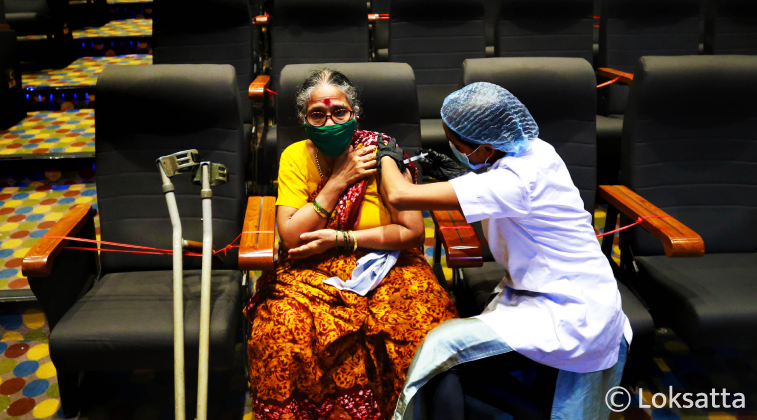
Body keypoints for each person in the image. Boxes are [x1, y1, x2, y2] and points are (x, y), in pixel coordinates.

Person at [377, 82, 632, 420]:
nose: (455, 151)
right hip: (556, 289)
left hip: (569, 310)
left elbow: (399, 196)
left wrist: (386, 159)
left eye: (457, 146)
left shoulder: (514, 181)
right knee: (459, 368)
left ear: (485, 147)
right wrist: (462, 174)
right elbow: (496, 188)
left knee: (443, 350)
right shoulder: (536, 149)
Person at [244, 70, 458, 420]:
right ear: (303, 118)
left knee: (424, 326)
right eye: (318, 114)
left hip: (389, 264)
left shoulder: (381, 152)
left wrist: (343, 238)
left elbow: (412, 232)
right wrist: (339, 180)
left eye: (339, 112)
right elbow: (292, 237)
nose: (329, 121)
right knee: (278, 330)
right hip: (311, 269)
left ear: (354, 113)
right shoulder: (296, 157)